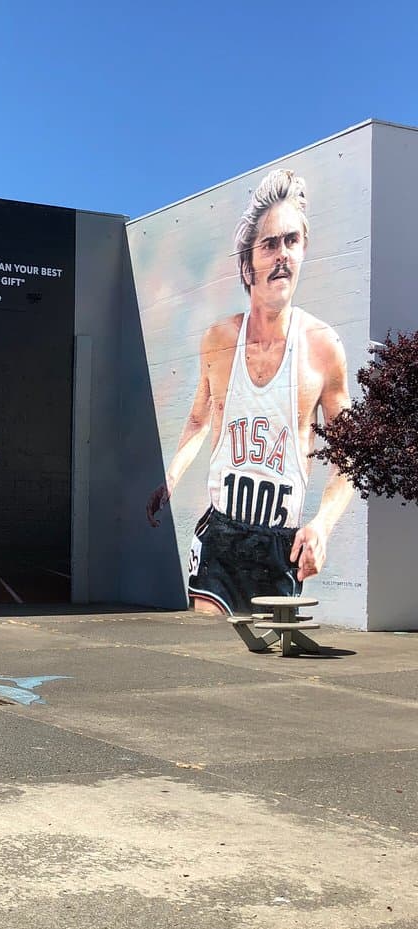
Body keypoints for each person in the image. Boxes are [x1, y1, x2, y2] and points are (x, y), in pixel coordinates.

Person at [146, 168, 353, 615]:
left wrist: (322, 526)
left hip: (282, 543)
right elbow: (200, 419)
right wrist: (171, 478)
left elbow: (351, 456)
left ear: (304, 250)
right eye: (269, 244)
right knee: (208, 654)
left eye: (292, 241)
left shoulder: (323, 347)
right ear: (247, 264)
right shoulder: (219, 341)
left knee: (267, 669)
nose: (282, 255)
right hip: (222, 535)